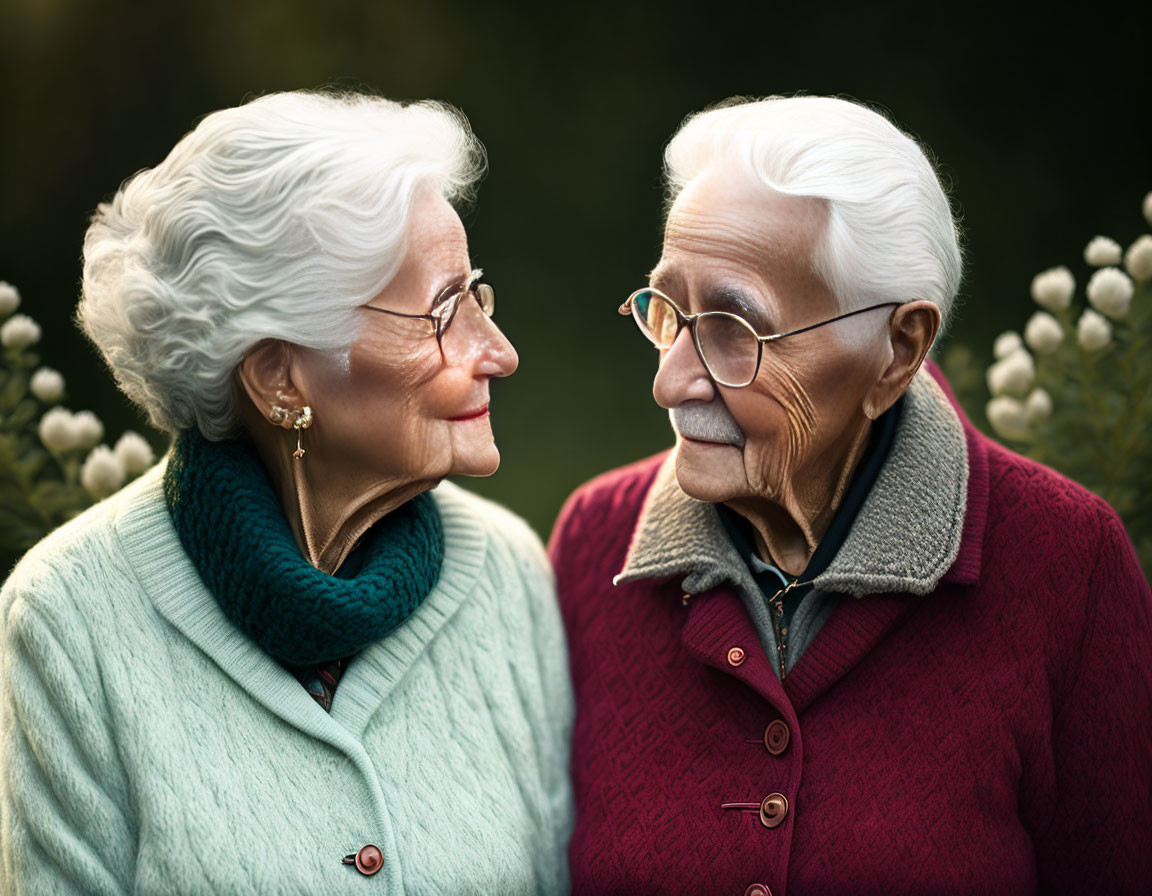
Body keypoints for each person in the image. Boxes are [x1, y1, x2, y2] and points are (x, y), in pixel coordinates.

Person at [549, 96, 1152, 895]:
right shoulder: (596, 547)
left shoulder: (1065, 564)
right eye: (668, 312)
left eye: (736, 328)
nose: (671, 381)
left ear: (898, 350)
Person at [0, 91, 572, 894]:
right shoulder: (69, 617)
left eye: (475, 295)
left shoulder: (507, 576)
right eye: (442, 313)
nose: (498, 352)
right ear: (279, 379)